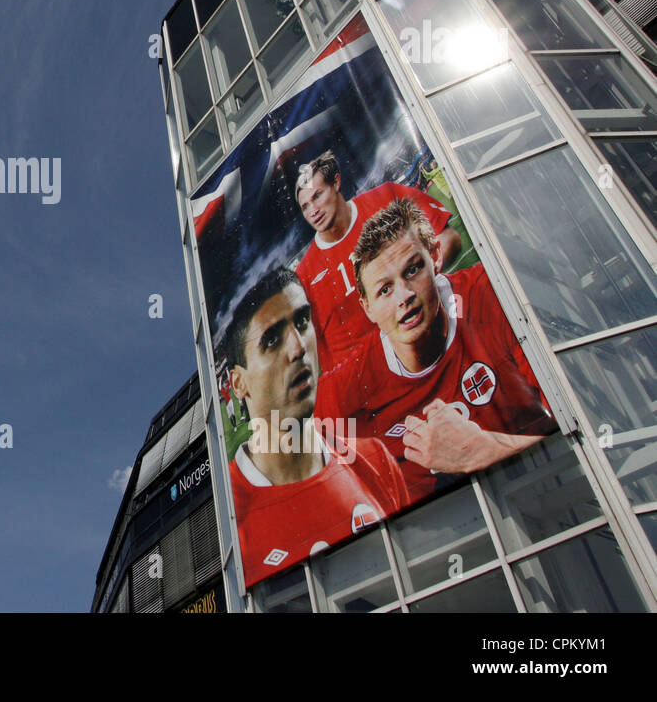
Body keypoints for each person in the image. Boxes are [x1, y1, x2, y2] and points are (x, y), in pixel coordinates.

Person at [315, 197, 556, 503]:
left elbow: (576, 423)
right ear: (368, 308)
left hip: (557, 483)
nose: (404, 296)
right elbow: (285, 443)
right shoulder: (354, 380)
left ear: (436, 257)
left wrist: (482, 451)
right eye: (385, 290)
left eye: (413, 270)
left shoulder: (489, 295)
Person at [223, 268, 409, 586]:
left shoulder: (375, 460)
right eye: (271, 340)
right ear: (238, 383)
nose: (298, 349)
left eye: (302, 322)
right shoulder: (227, 520)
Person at [294, 151, 462, 374]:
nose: (313, 211)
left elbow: (449, 238)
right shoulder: (304, 277)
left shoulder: (386, 198)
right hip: (374, 383)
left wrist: (419, 278)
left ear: (336, 183)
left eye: (317, 196)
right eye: (305, 206)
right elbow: (318, 355)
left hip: (436, 346)